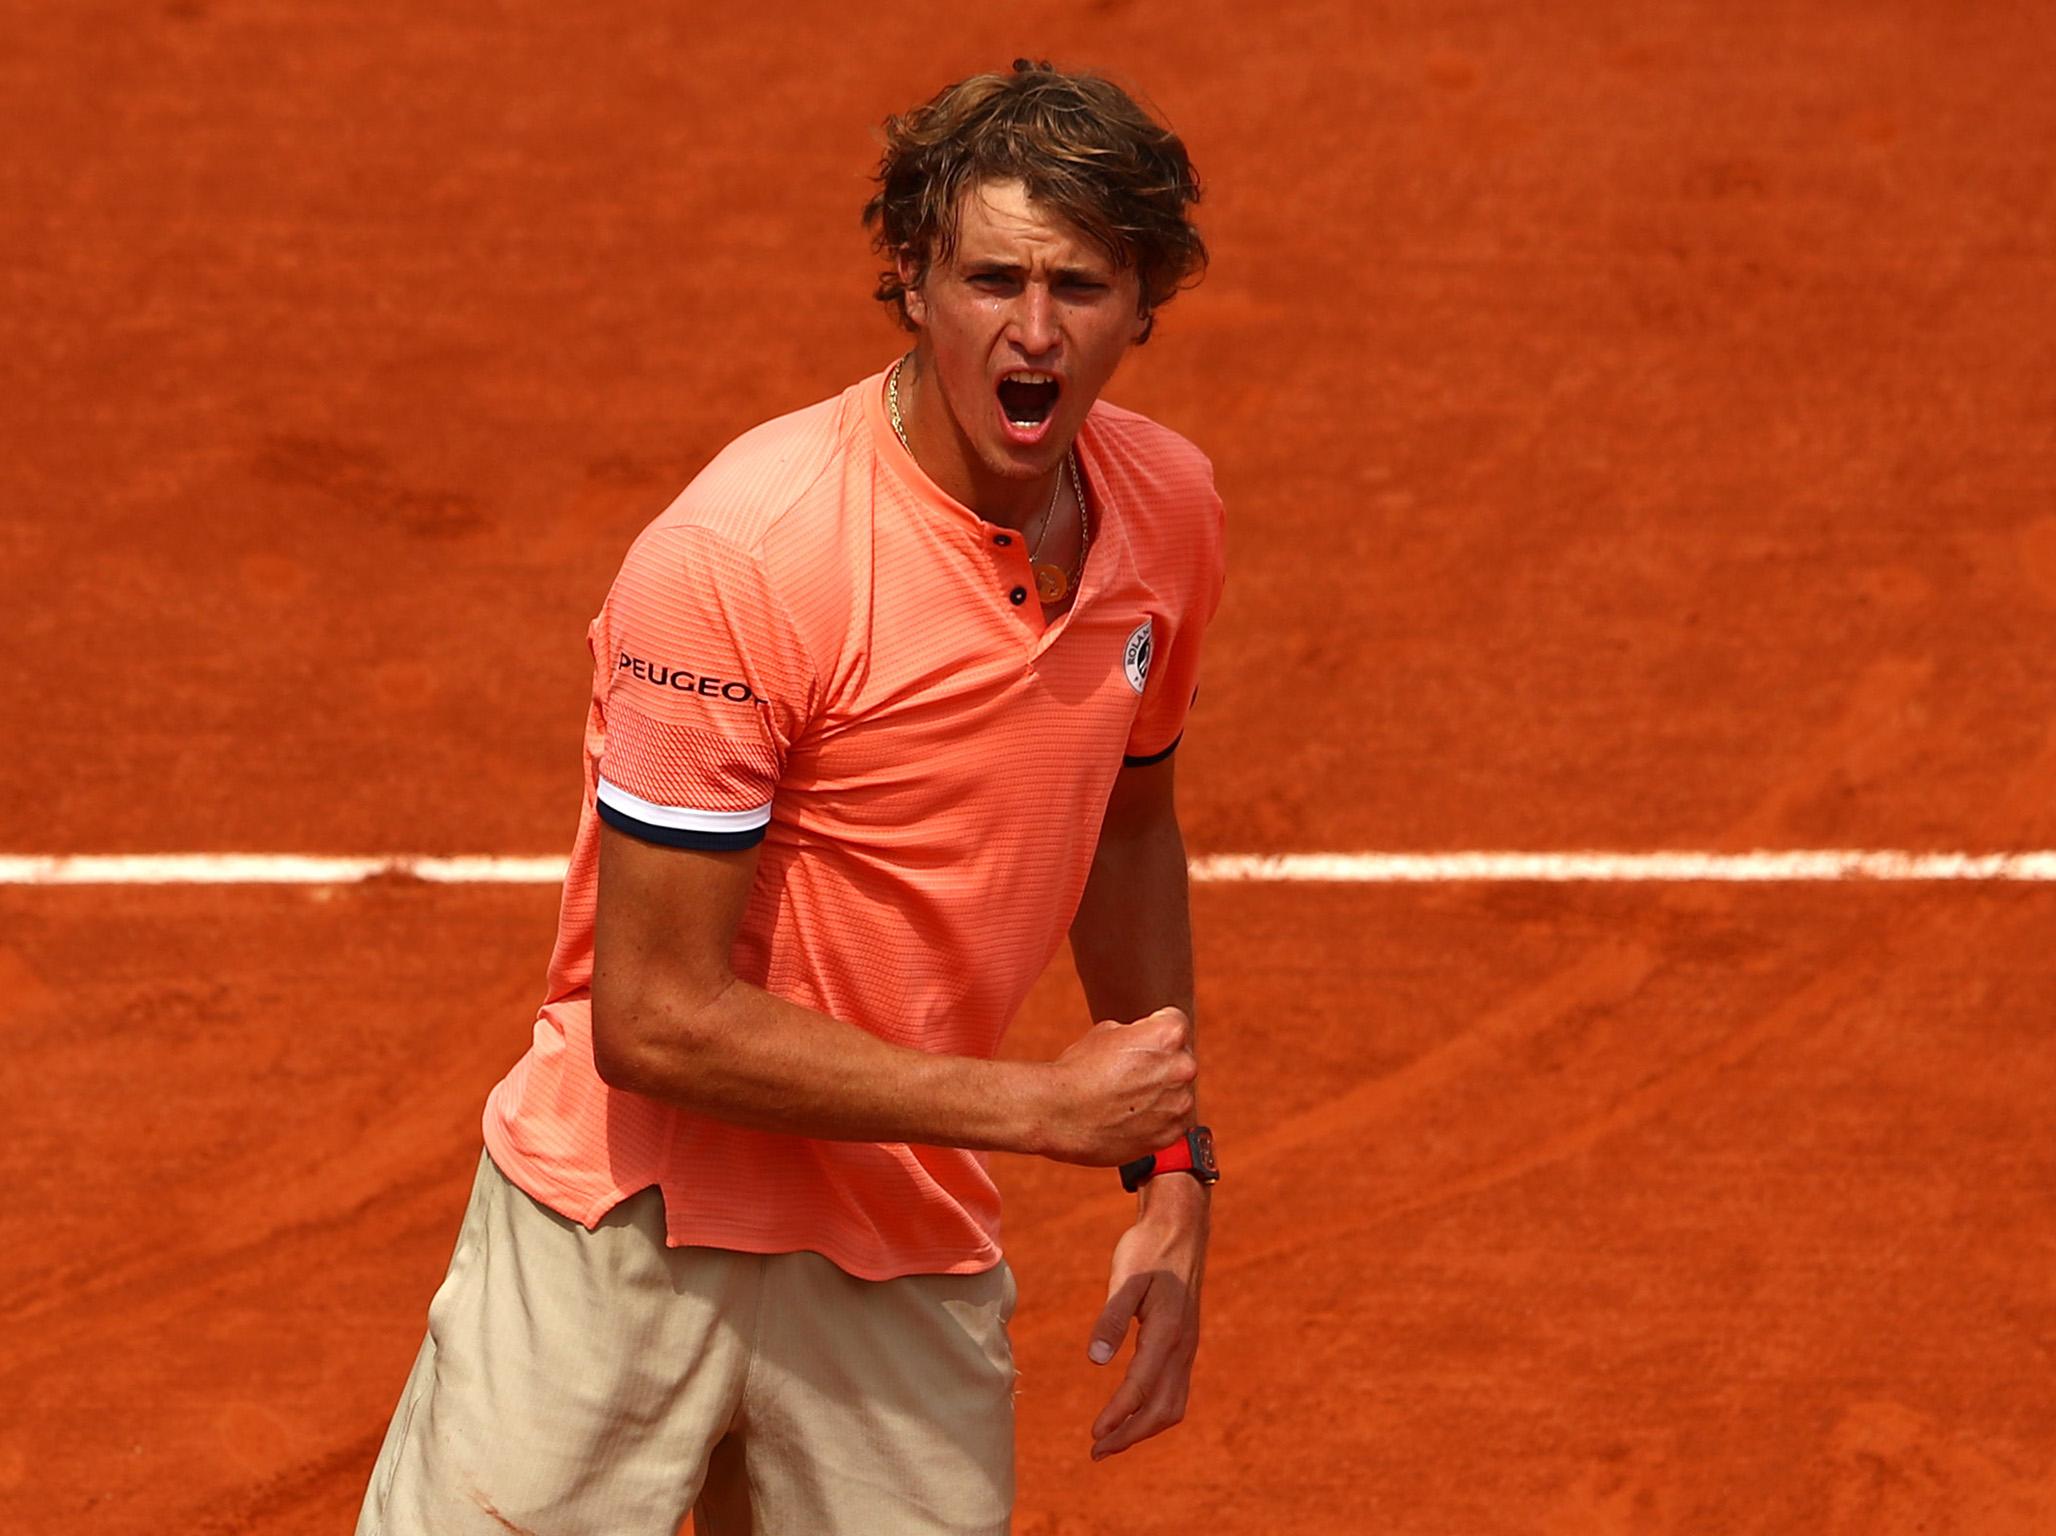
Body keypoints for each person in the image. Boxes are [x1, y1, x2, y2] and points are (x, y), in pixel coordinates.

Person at [356, 59, 1225, 1536]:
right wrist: (1034, 1107)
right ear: (910, 278)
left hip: (898, 1231)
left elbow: (1127, 822)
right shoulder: (750, 557)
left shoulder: (1168, 515)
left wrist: (1175, 1162)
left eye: (1078, 284)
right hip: (624, 1232)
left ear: (1143, 301)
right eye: (990, 277)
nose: (1032, 331)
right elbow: (654, 1016)